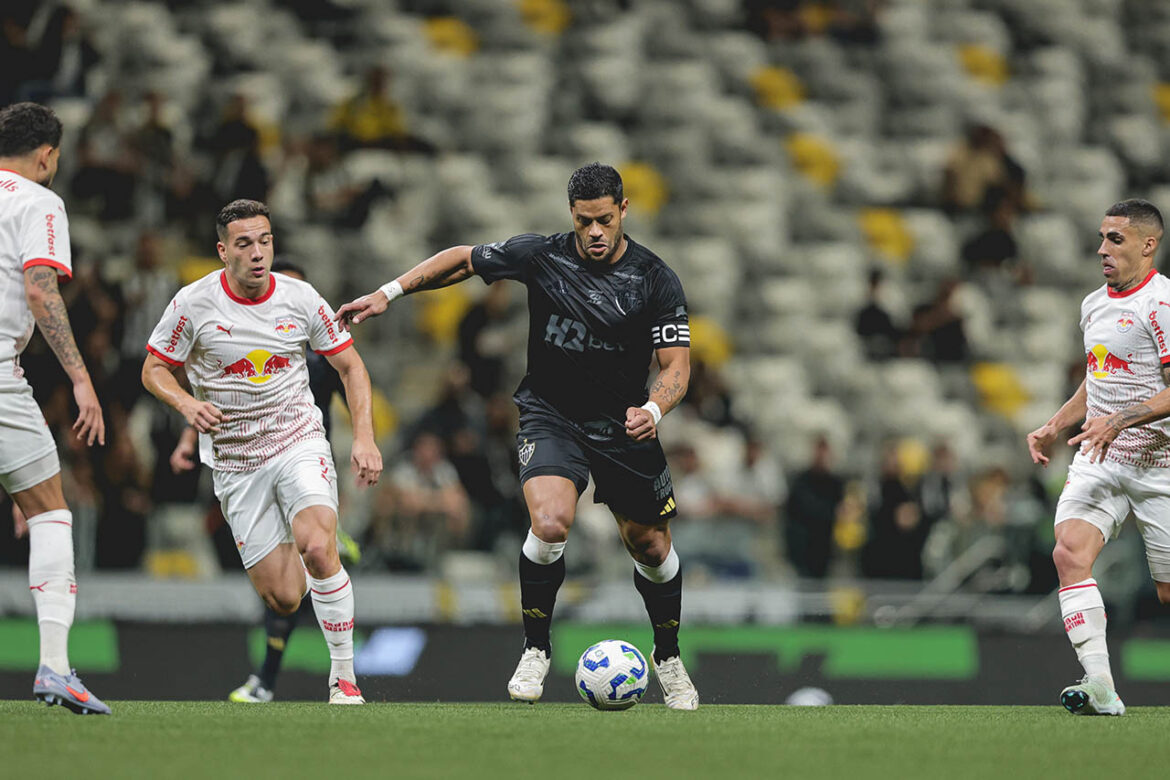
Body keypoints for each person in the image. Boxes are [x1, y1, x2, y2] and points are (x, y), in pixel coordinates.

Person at [336, 162, 700, 710]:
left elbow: (676, 366)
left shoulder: (655, 279)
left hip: (625, 422)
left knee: (650, 545)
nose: (594, 233)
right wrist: (391, 292)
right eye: (584, 222)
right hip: (550, 414)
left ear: (624, 211)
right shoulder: (542, 255)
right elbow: (461, 259)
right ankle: (535, 649)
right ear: (571, 217)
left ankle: (668, 657)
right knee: (550, 523)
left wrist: (654, 406)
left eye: (604, 220)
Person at [141, 199, 382, 704]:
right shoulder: (193, 303)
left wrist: (364, 438)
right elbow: (154, 369)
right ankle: (311, 538)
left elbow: (352, 368)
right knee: (283, 595)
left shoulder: (301, 297)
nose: (258, 253)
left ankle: (344, 679)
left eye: (265, 240)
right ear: (222, 249)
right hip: (234, 461)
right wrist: (187, 405)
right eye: (245, 243)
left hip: (297, 439)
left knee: (318, 547)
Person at [1027, 198, 1170, 717]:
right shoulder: (1093, 304)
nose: (1101, 249)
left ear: (1148, 245)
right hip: (1100, 455)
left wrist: (1120, 419)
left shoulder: (1162, 306)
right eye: (1101, 238)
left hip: (1160, 463)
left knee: (1166, 593)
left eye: (1116, 239)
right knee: (1068, 553)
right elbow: (1099, 376)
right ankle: (1101, 687)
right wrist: (1054, 424)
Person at [0, 101, 109, 714]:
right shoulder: (39, 202)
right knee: (49, 512)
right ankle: (54, 667)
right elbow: (41, 291)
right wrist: (81, 380)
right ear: (46, 155)